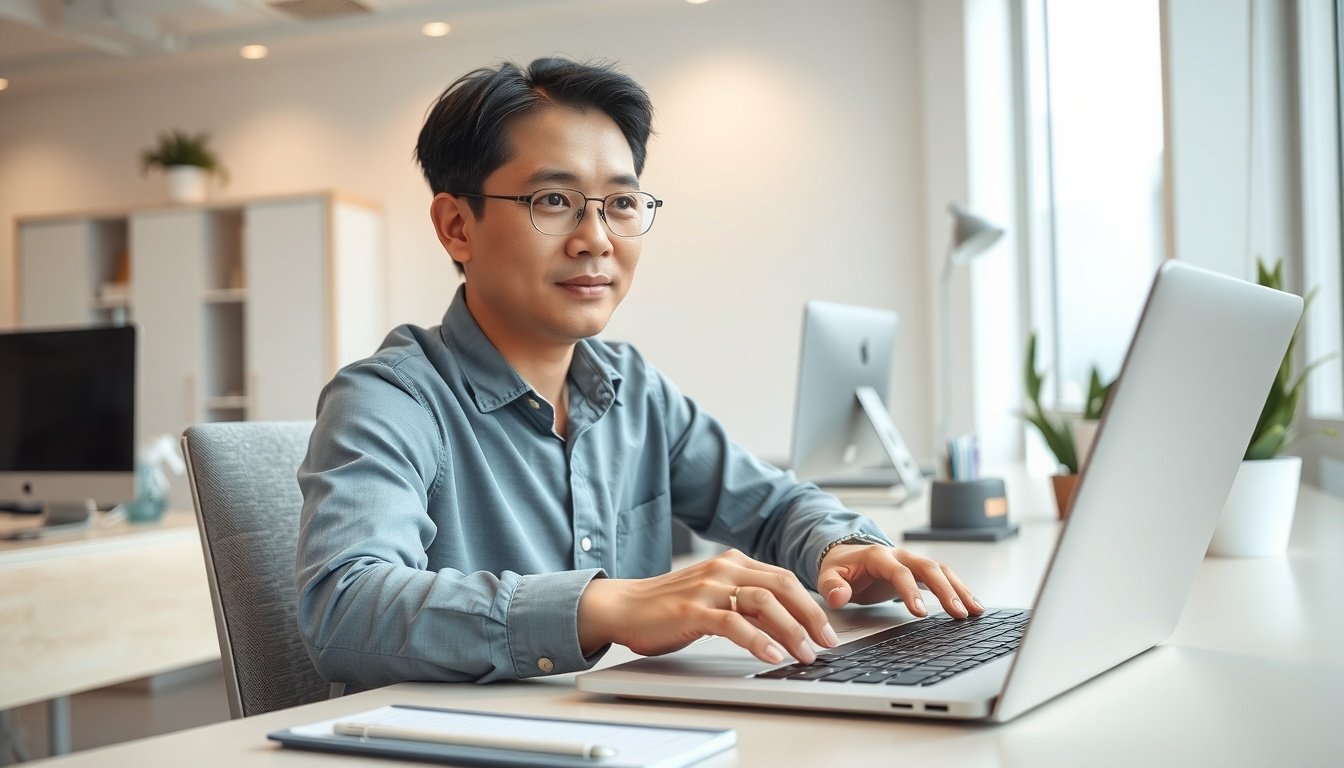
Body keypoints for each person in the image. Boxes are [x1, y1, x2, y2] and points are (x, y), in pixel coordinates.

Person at [296, 56, 984, 689]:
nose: (596, 239)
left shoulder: (632, 388)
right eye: (553, 200)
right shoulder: (390, 398)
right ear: (456, 226)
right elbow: (344, 606)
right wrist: (604, 604)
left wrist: (842, 549)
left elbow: (772, 506)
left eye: (622, 204)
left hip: (636, 734)